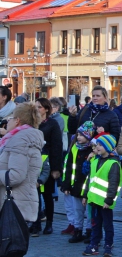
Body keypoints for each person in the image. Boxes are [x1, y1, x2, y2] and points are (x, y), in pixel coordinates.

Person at [0, 102, 44, 224]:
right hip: (17, 202)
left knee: (11, 242)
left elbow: (16, 175)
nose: (7, 122)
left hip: (15, 204)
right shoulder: (20, 138)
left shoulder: (20, 140)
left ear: (17, 121)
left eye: (10, 118)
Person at [82, 134, 122, 257]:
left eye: (100, 145)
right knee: (95, 224)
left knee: (107, 225)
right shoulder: (95, 161)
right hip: (94, 200)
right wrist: (85, 195)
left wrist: (109, 200)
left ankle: (108, 246)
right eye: (97, 144)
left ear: (107, 147)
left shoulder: (113, 163)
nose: (97, 147)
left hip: (105, 202)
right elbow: (89, 179)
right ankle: (94, 245)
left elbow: (113, 184)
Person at [62, 121, 95, 243]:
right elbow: (69, 167)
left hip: (88, 186)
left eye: (82, 135)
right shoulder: (75, 148)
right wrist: (66, 184)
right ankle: (77, 231)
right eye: (78, 135)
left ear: (89, 136)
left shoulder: (93, 150)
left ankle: (90, 232)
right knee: (77, 211)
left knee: (90, 212)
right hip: (75, 185)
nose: (79, 137)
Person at [35, 98, 63, 235]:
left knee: (47, 195)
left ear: (46, 109)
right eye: (35, 107)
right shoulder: (32, 123)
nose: (37, 109)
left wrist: (56, 168)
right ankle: (36, 223)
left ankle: (49, 223)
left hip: (47, 164)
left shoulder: (52, 124)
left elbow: (57, 146)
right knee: (34, 195)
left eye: (39, 107)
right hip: (33, 164)